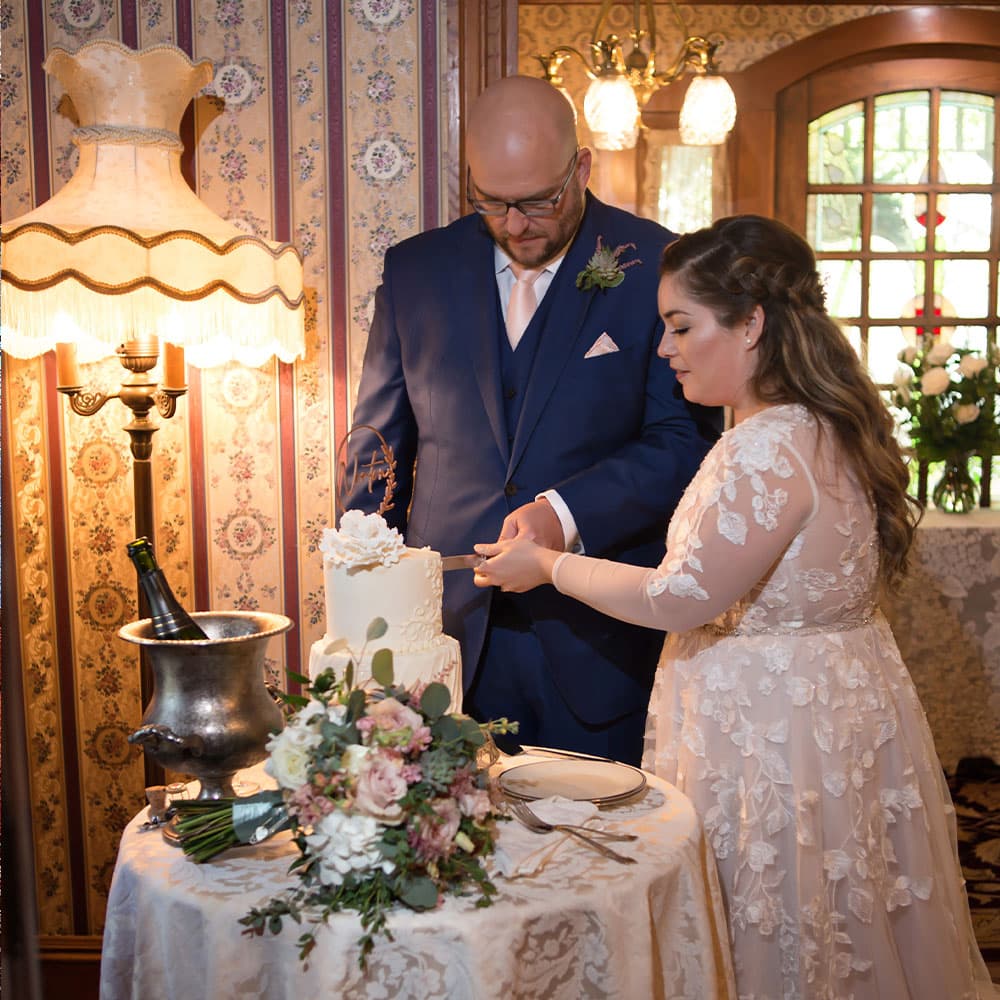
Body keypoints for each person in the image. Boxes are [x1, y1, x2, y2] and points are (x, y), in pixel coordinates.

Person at [473, 215, 994, 998]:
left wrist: (548, 565)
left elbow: (681, 597)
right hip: (832, 709)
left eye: (682, 326)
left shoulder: (766, 447)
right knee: (843, 916)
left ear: (751, 323)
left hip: (771, 734)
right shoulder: (824, 426)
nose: (664, 348)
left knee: (774, 922)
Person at [341, 75, 718, 765]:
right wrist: (368, 590)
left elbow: (683, 443)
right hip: (446, 637)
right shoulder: (415, 270)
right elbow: (379, 448)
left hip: (598, 642)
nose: (516, 225)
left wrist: (565, 513)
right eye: (492, 202)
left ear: (580, 168)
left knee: (596, 855)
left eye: (539, 202)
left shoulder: (653, 265)